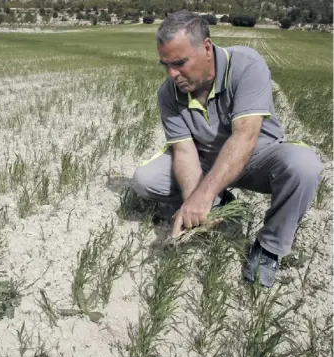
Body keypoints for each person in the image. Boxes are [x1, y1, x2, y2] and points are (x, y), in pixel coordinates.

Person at [131, 11, 323, 288]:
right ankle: (223, 206)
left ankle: (269, 247)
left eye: (180, 63)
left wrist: (203, 195)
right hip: (206, 161)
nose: (172, 74)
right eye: (165, 65)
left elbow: (245, 136)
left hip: (257, 157)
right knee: (145, 179)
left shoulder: (246, 65)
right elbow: (185, 153)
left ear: (206, 48)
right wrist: (193, 201)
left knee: (304, 166)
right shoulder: (168, 94)